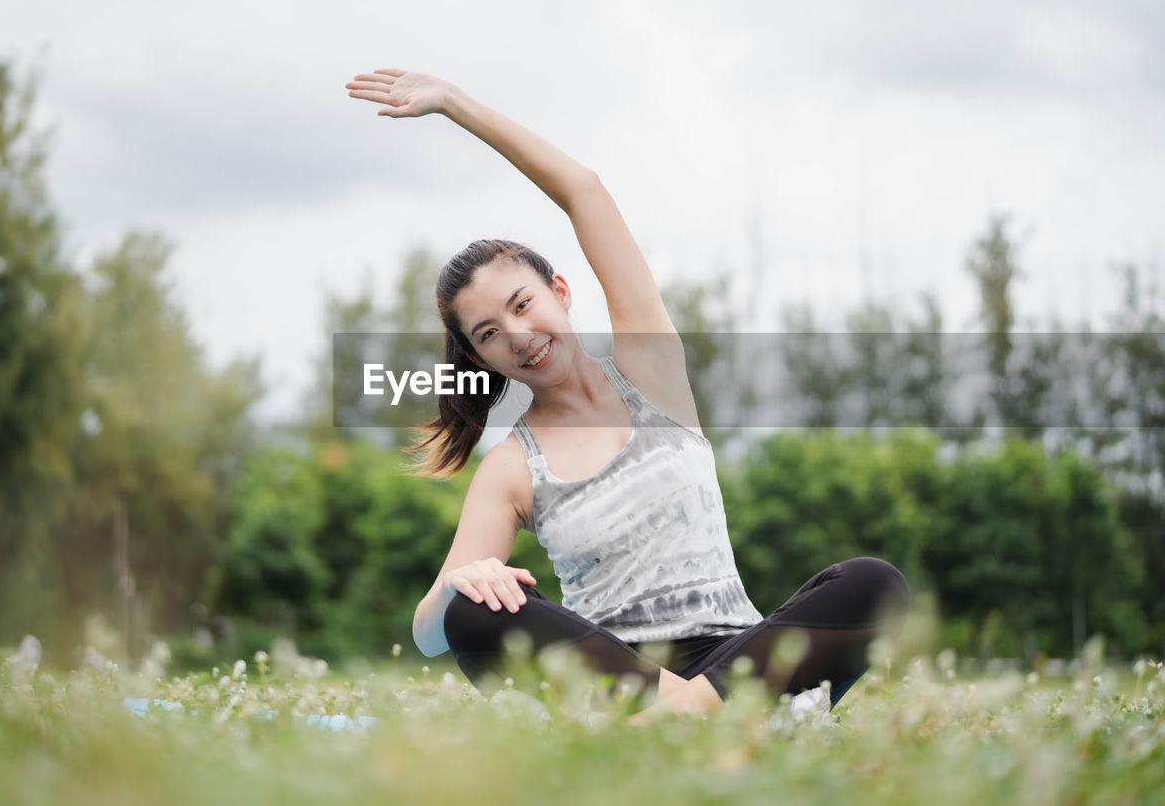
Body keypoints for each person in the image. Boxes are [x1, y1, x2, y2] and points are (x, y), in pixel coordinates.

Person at [345, 68, 911, 723]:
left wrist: (456, 105)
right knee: (470, 611)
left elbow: (584, 191)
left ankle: (678, 723)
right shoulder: (511, 466)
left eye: (523, 303)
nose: (521, 335)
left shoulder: (650, 371)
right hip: (619, 674)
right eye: (492, 333)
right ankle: (721, 721)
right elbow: (428, 632)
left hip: (736, 652)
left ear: (559, 290)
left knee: (875, 584)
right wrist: (461, 584)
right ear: (478, 356)